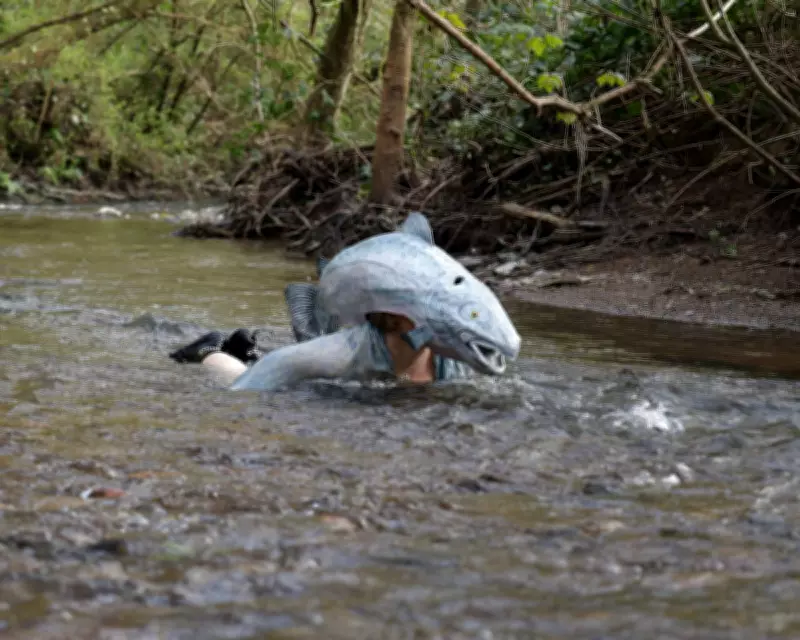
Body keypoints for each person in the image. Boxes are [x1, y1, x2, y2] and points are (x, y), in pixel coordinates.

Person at [169, 311, 474, 391]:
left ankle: (248, 350)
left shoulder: (454, 359)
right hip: (295, 372)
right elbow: (243, 392)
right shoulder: (351, 351)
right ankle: (209, 350)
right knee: (242, 377)